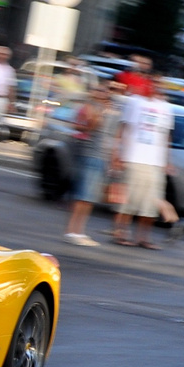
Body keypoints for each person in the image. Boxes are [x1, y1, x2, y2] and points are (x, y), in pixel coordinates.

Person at [111, 79, 175, 248]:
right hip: (134, 159)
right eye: (153, 83)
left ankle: (143, 238)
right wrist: (117, 154)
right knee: (129, 201)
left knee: (150, 204)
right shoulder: (134, 102)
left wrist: (166, 161)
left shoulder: (166, 108)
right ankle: (120, 233)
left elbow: (166, 136)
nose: (156, 87)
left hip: (154, 163)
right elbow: (123, 130)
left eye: (160, 84)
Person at [65, 83, 119, 245]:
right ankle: (72, 230)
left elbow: (114, 136)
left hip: (102, 155)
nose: (103, 93)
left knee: (90, 198)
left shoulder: (112, 110)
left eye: (105, 90)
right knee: (83, 195)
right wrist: (98, 115)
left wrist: (113, 158)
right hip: (89, 153)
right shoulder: (89, 107)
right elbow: (87, 126)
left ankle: (80, 230)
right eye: (99, 90)